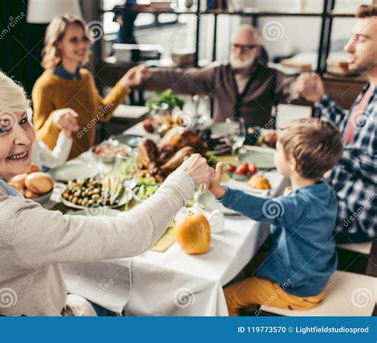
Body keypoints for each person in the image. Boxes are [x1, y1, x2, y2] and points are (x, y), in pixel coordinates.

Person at [0, 69, 213, 316]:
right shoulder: (9, 222)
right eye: (1, 130)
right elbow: (131, 235)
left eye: (23, 120)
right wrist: (182, 181)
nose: (24, 138)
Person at [207, 118, 344, 316]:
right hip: (314, 275)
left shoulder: (299, 205)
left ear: (293, 163)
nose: (275, 154)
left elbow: (263, 208)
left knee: (225, 298)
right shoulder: (324, 190)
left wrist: (222, 193)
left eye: (278, 150)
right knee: (243, 265)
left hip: (296, 291)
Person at [294, 4, 376, 243]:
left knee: (266, 215)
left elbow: (345, 148)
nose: (348, 47)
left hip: (354, 219)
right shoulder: (370, 89)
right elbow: (349, 135)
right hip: (335, 198)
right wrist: (320, 99)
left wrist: (326, 146)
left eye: (360, 39)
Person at [33, 14, 146, 160]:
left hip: (86, 162)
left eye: (84, 39)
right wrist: (55, 120)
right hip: (58, 168)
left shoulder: (85, 77)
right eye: (74, 40)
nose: (81, 45)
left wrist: (125, 83)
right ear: (59, 43)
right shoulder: (45, 85)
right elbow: (38, 140)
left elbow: (102, 113)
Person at [141, 25, 295, 127]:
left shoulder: (270, 76)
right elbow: (182, 78)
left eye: (245, 47)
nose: (238, 51)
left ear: (256, 50)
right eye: (235, 46)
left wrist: (302, 85)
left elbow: (291, 85)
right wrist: (150, 74)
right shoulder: (218, 73)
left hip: (255, 144)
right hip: (219, 142)